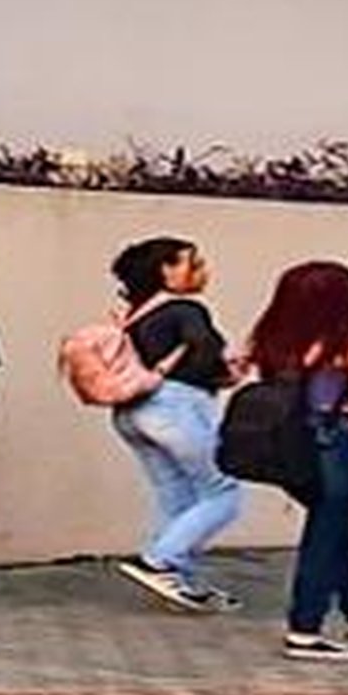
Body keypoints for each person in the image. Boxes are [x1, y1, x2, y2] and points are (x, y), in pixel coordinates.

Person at [241, 257, 348, 660]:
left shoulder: (272, 344)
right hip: (335, 448)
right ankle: (305, 629)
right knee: (327, 536)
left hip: (290, 449)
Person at [97, 231, 242, 611]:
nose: (202, 271)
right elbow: (205, 348)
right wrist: (221, 373)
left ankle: (180, 580)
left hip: (132, 411)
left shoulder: (135, 316)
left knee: (177, 495)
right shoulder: (185, 310)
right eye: (193, 263)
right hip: (174, 407)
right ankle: (160, 562)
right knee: (223, 491)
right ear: (166, 271)